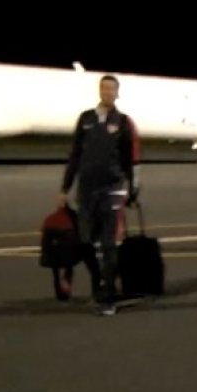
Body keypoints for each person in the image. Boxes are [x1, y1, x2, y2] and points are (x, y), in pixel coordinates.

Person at [58, 74, 141, 317]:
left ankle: (107, 296)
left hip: (112, 189)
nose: (107, 92)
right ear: (99, 91)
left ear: (117, 93)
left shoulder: (124, 122)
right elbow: (74, 155)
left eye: (112, 89)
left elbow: (132, 160)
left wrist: (133, 191)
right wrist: (64, 189)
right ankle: (99, 281)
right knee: (85, 241)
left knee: (108, 244)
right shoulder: (85, 119)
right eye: (104, 88)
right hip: (86, 190)